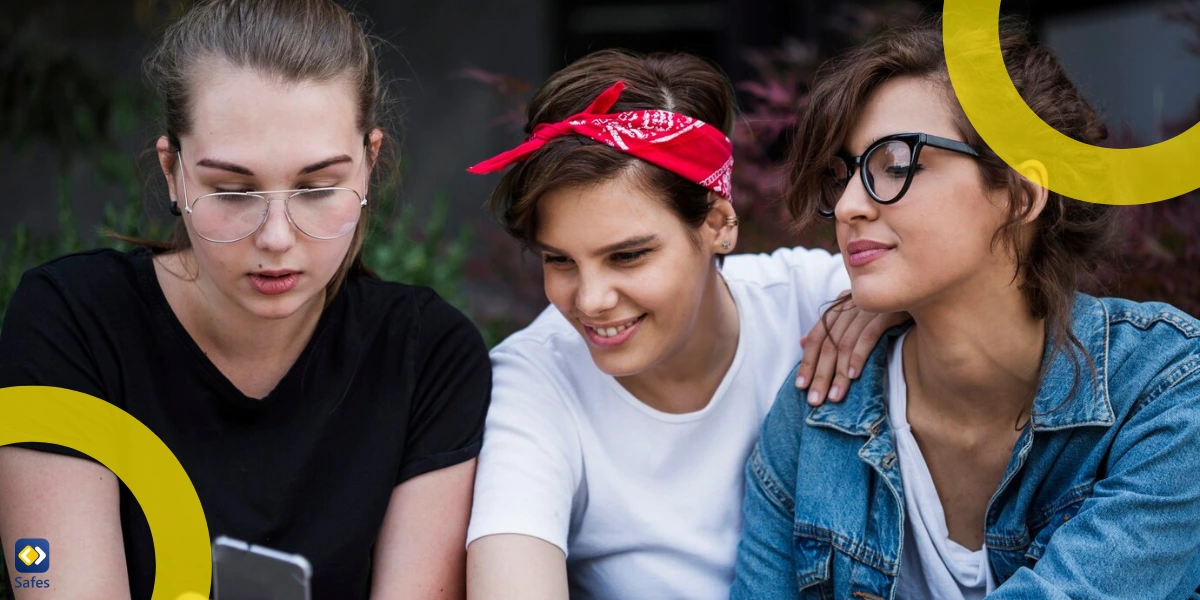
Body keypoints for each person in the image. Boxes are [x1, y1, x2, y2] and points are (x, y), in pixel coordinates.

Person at [0, 1, 490, 598]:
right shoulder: (70, 322)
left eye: (317, 188)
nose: (276, 237)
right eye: (232, 189)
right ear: (173, 172)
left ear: (371, 162)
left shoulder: (428, 358)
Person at [731, 17, 1200, 600]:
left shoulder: (1165, 393)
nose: (850, 204)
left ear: (1021, 195)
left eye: (896, 166)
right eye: (844, 174)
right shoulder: (818, 414)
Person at [462, 49, 904, 600]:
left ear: (719, 223)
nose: (592, 301)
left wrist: (896, 298)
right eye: (560, 261)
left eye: (627, 256)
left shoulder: (814, 301)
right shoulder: (535, 380)